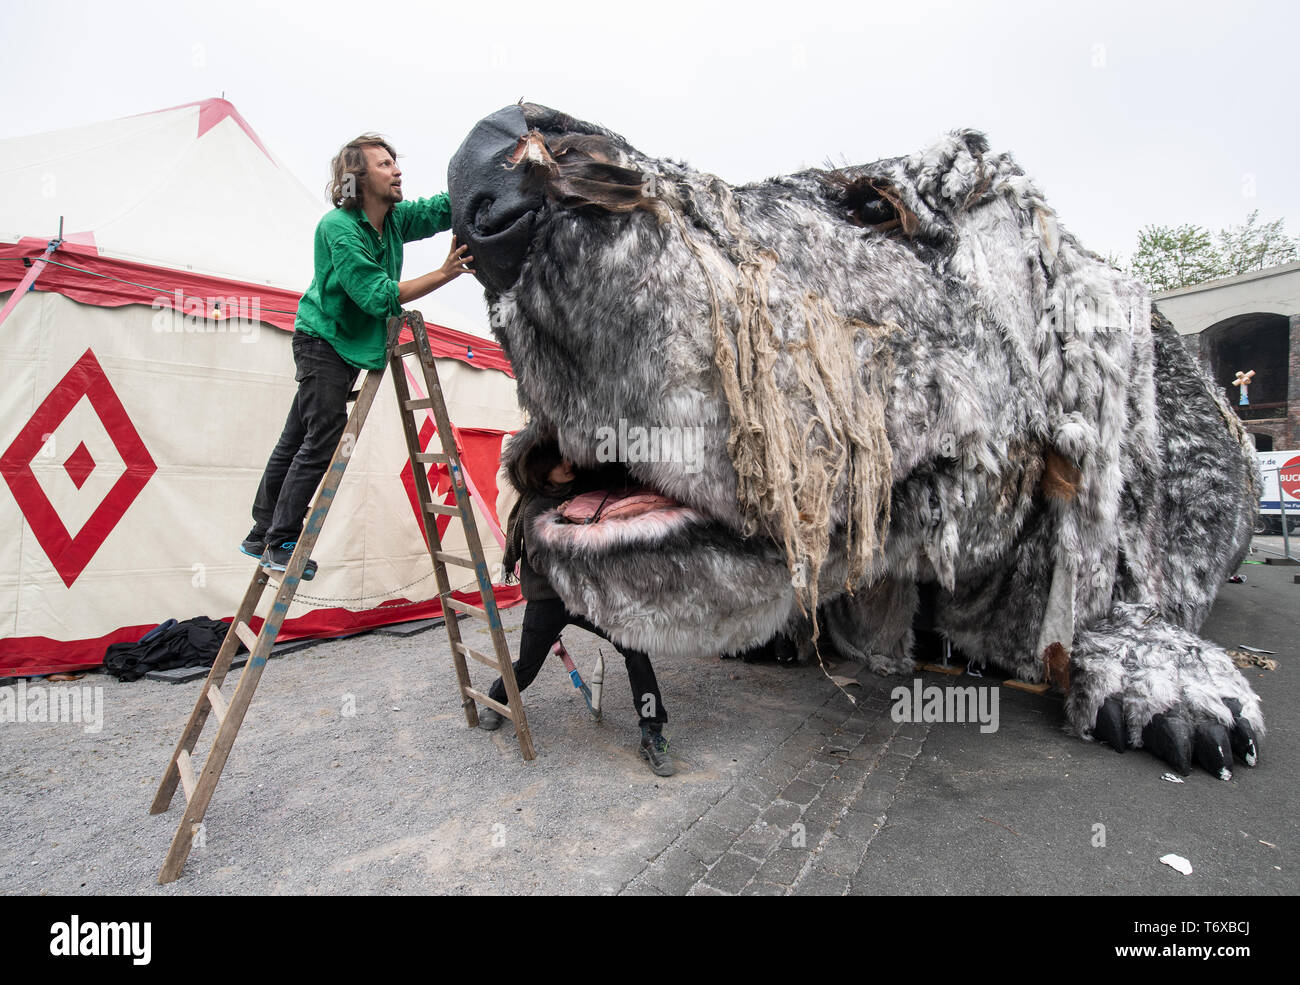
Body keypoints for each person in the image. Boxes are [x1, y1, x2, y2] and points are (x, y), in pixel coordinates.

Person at [241, 134, 473, 577]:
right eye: (385, 164)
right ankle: (281, 540)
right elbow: (377, 297)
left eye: (394, 162)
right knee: (321, 439)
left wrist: (496, 174)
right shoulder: (339, 228)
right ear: (359, 179)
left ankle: (261, 534)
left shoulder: (393, 220)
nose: (397, 170)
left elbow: (440, 210)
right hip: (324, 342)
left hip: (350, 344)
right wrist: (445, 273)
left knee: (296, 439)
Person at [481, 436, 677, 777]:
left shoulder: (588, 493)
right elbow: (539, 561)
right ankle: (498, 698)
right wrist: (580, 536)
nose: (568, 464)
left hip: (587, 597)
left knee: (635, 649)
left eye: (569, 457)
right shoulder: (536, 507)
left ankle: (652, 731)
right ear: (543, 471)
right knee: (527, 664)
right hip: (549, 599)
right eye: (559, 461)